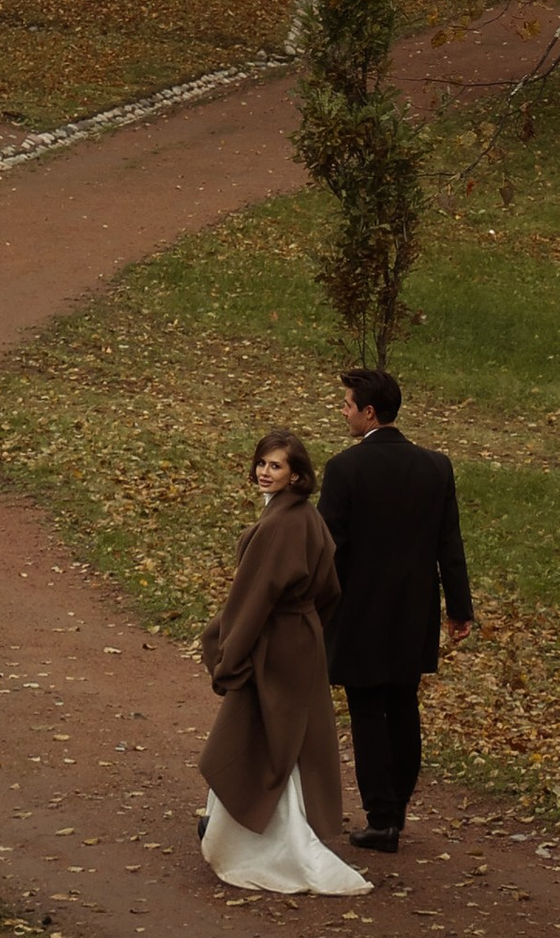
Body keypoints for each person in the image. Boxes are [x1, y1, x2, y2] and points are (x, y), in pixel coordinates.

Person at [196, 430, 371, 898]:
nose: (264, 472)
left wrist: (228, 655)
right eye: (261, 463)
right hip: (302, 641)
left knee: (265, 737)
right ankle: (237, 832)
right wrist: (307, 623)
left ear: (297, 474)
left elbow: (252, 600)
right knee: (287, 738)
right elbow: (330, 588)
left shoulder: (280, 526)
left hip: (274, 645)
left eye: (275, 466)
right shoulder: (307, 518)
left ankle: (270, 846)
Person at [317, 365, 472, 854]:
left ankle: (382, 818)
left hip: (359, 611)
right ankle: (398, 809)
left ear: (369, 411)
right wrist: (459, 609)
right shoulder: (435, 467)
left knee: (366, 709)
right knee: (404, 705)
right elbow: (449, 543)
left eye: (346, 405)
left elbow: (327, 548)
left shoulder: (344, 469)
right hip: (413, 609)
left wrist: (311, 602)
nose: (342, 413)